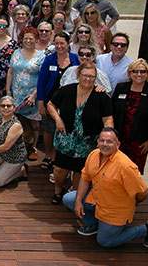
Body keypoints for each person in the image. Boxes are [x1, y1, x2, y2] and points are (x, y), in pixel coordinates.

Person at [63, 128, 148, 249]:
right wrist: (78, 201)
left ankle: (146, 229)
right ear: (97, 142)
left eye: (109, 141)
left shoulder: (125, 166)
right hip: (96, 200)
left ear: (118, 144)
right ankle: (94, 224)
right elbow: (85, 177)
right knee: (69, 199)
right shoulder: (93, 154)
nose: (105, 144)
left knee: (105, 241)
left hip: (115, 210)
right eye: (102, 141)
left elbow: (143, 193)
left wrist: (131, 205)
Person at [47, 63, 114, 204]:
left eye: (92, 77)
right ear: (78, 75)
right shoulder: (67, 90)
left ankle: (74, 197)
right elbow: (50, 105)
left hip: (87, 143)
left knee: (80, 173)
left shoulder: (101, 96)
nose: (88, 79)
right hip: (65, 139)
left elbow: (108, 119)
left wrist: (107, 136)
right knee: (59, 170)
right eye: (85, 76)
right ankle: (58, 191)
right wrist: (58, 119)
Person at [110, 59, 148, 174]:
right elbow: (112, 111)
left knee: (133, 172)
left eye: (143, 72)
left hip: (139, 142)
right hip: (119, 139)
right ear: (130, 73)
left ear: (147, 74)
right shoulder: (121, 88)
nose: (139, 74)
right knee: (115, 170)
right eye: (135, 71)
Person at [37, 32, 79, 171]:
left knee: (65, 129)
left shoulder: (75, 59)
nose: (59, 46)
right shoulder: (49, 60)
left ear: (68, 44)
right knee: (49, 129)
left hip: (69, 103)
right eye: (57, 43)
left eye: (62, 43)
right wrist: (41, 101)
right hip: (51, 102)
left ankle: (62, 156)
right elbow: (41, 82)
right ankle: (49, 155)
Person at [6, 27, 45, 160]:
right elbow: (11, 71)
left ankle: (32, 147)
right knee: (18, 121)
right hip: (16, 93)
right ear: (22, 39)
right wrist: (8, 91)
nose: (28, 41)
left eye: (31, 38)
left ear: (36, 40)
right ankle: (19, 147)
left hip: (32, 95)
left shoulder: (41, 55)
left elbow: (42, 78)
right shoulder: (16, 52)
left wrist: (34, 95)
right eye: (26, 38)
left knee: (34, 123)